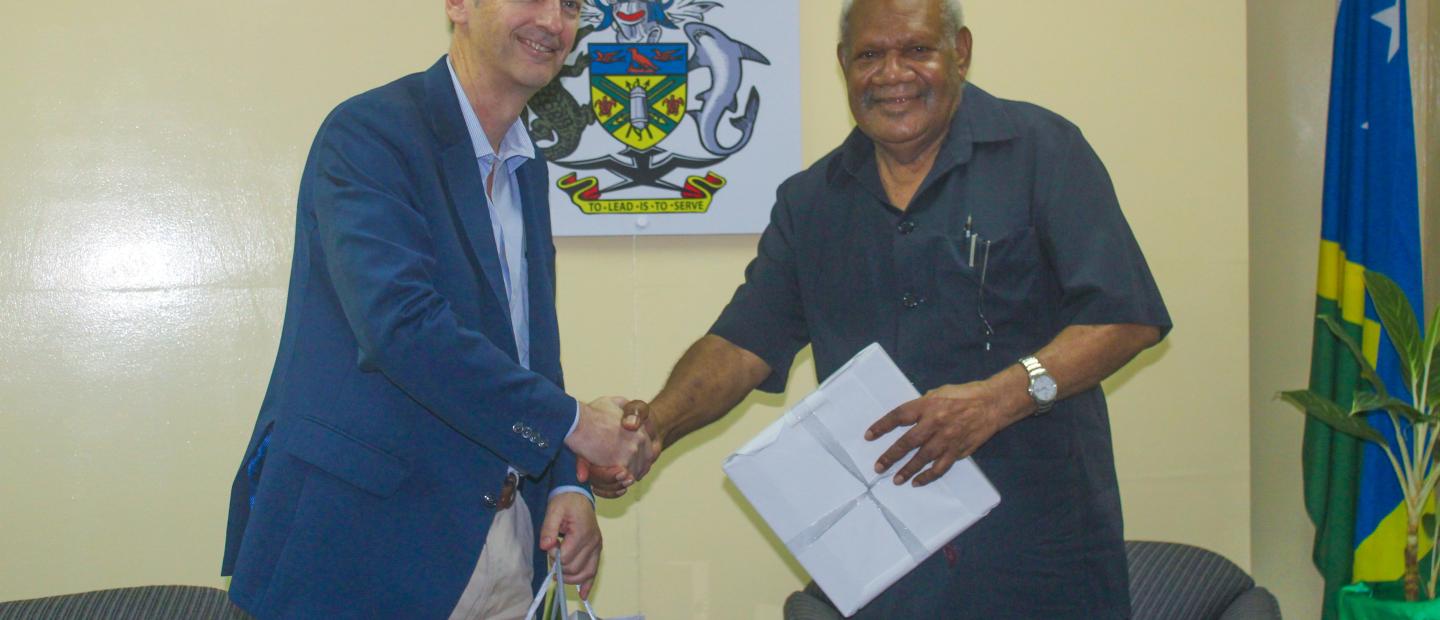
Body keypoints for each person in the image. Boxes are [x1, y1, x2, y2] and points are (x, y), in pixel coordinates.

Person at [588, 0, 1172, 617]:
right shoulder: (809, 202)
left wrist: (1000, 398)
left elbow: (1126, 315)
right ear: (844, 65)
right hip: (888, 567)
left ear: (961, 52)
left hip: (1037, 557)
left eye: (916, 49)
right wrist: (653, 427)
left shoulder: (1042, 151)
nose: (892, 73)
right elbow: (742, 345)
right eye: (870, 55)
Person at [221, 1, 653, 617]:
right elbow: (401, 329)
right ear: (457, 5)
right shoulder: (369, 133)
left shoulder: (526, 165)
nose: (554, 22)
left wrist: (566, 482)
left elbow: (528, 350)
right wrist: (577, 425)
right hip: (363, 549)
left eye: (571, 5)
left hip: (507, 543)